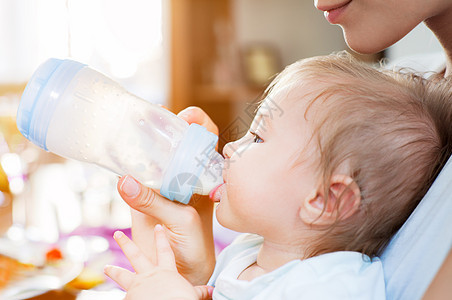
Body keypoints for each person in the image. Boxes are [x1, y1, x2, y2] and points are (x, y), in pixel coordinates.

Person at [114, 0, 452, 298]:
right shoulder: (248, 253)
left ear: (324, 200)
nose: (229, 146)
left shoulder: (330, 287)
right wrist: (190, 279)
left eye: (257, 138)